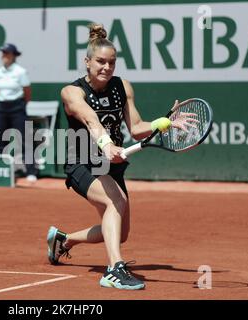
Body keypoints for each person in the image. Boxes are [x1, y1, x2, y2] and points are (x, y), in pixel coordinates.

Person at [47, 23, 195, 290]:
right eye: (100, 62)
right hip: (82, 162)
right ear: (87, 62)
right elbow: (90, 120)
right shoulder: (71, 92)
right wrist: (105, 143)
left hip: (112, 165)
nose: (106, 67)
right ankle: (114, 269)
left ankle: (64, 240)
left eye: (112, 63)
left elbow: (137, 129)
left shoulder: (122, 87)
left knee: (120, 232)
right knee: (117, 200)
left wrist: (164, 122)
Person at [0, 43, 38, 182]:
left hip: (18, 108)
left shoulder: (20, 71)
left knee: (25, 140)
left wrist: (21, 104)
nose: (3, 56)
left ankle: (31, 172)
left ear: (13, 56)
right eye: (3, 53)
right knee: (2, 141)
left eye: (6, 53)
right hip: (2, 108)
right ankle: (1, 171)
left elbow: (27, 91)